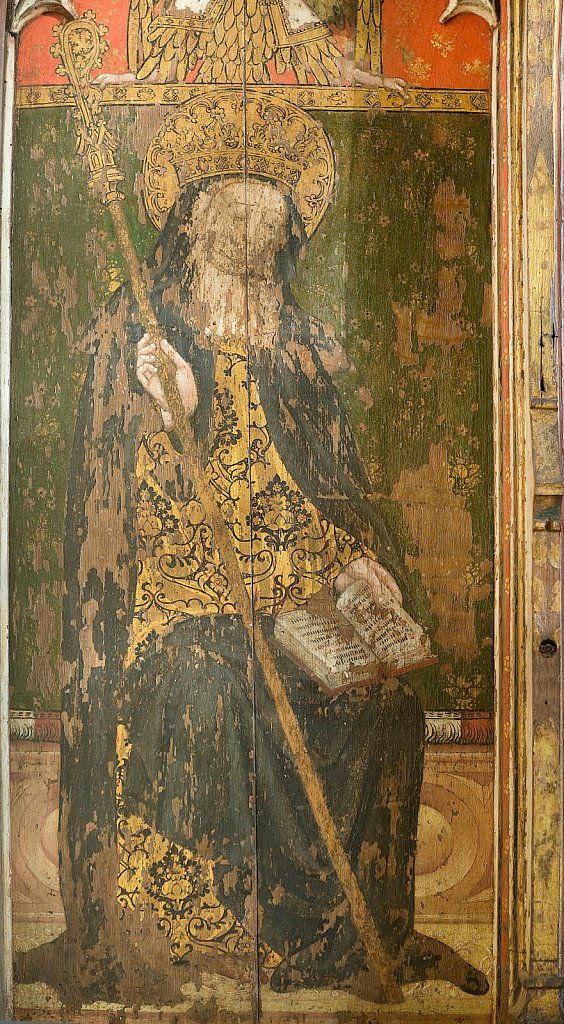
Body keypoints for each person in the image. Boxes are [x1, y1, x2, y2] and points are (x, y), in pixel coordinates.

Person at [18, 171, 488, 1008]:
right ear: (195, 238)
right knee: (212, 694)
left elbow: (311, 492)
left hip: (290, 603)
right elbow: (117, 514)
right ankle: (223, 932)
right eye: (239, 245)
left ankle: (353, 937)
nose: (256, 267)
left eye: (268, 249)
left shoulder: (295, 350)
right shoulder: (143, 339)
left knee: (384, 707)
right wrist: (169, 419)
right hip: (182, 609)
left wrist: (349, 561)